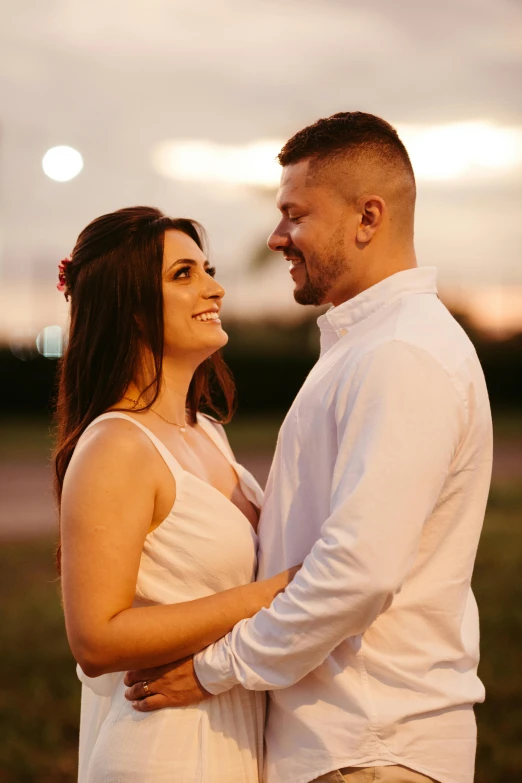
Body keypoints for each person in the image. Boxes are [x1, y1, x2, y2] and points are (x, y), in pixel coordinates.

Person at [124, 113, 493, 783]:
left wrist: (212, 669)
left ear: (367, 217)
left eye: (295, 215)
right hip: (347, 745)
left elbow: (359, 570)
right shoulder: (366, 344)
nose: (276, 237)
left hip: (372, 746)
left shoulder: (399, 354)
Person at [54, 206, 300, 783]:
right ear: (130, 306)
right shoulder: (116, 445)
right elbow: (96, 637)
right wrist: (279, 593)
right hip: (167, 749)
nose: (214, 287)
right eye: (183, 274)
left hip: (235, 734)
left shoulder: (206, 430)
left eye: (206, 269)